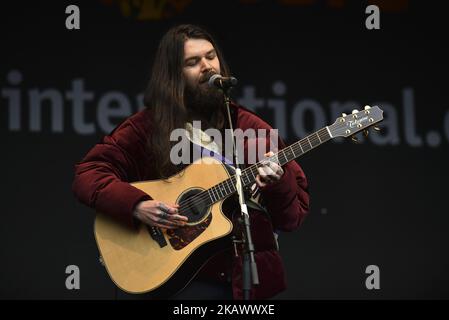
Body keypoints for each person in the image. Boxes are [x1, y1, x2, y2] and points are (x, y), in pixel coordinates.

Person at [72, 24, 310, 300]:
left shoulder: (252, 130)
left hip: (239, 280)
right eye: (193, 62)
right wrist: (136, 204)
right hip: (171, 280)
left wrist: (277, 184)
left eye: (211, 56)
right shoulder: (145, 128)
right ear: (173, 75)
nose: (208, 67)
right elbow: (88, 174)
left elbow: (293, 217)